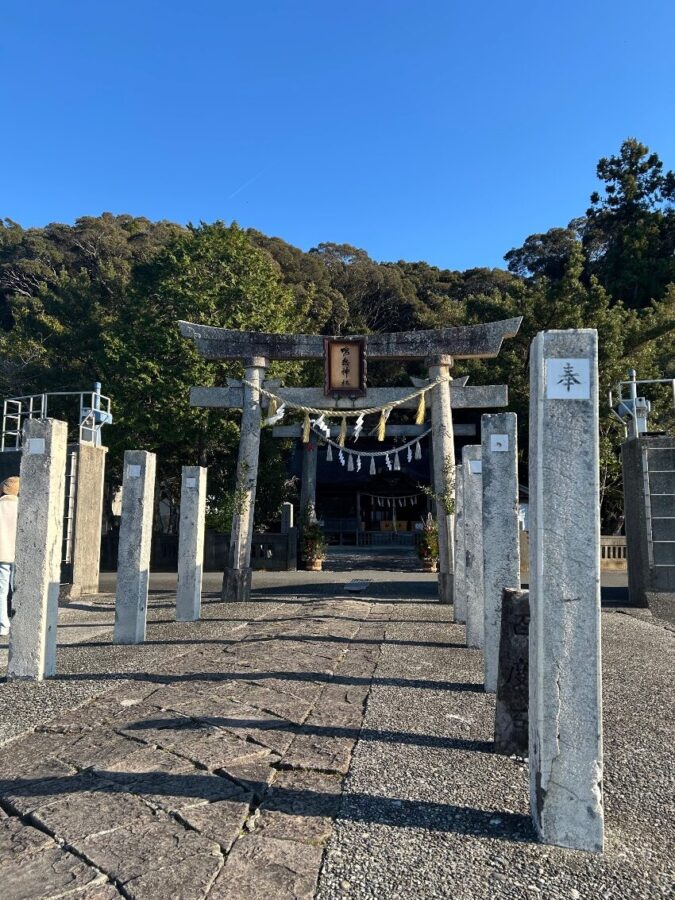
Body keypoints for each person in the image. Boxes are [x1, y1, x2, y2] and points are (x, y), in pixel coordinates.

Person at [0, 476, 19, 636]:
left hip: (2, 554)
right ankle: (18, 621)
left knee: (2, 590)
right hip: (18, 554)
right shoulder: (23, 507)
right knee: (18, 588)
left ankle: (3, 624)